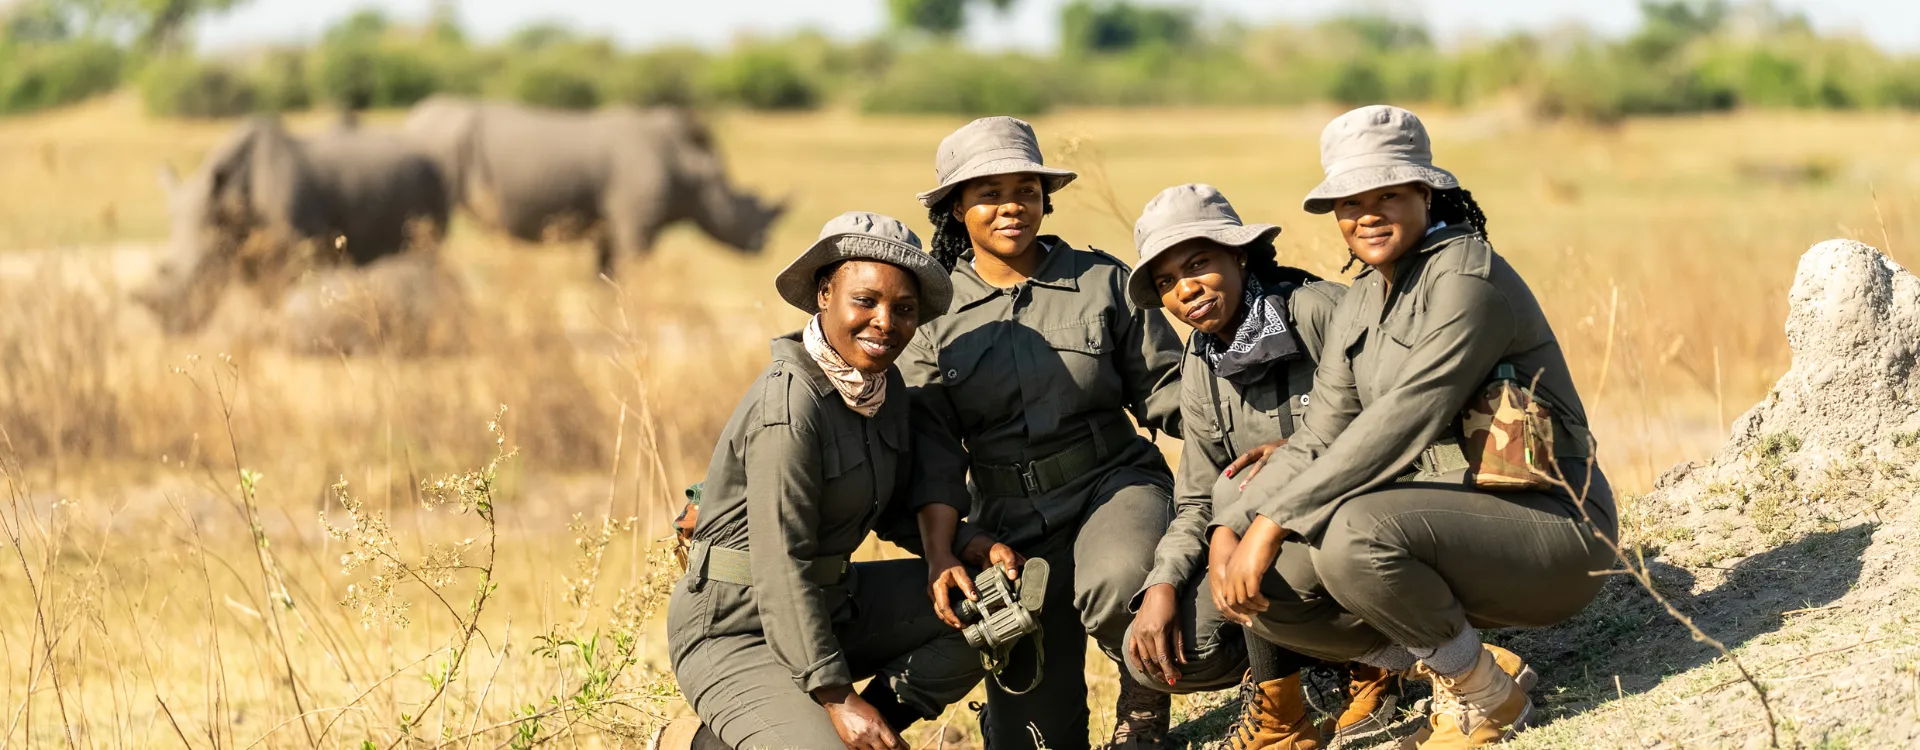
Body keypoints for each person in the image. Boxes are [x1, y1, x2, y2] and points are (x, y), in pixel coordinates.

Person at [1210, 105, 1616, 749]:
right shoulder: (1364, 297)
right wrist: (1232, 527)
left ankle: (1485, 699)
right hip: (1446, 526)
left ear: (1428, 194)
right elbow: (1319, 437)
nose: (1367, 214)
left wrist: (1273, 520)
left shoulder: (1468, 277)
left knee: (1351, 534)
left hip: (1556, 528)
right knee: (1266, 581)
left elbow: (1408, 417)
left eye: (1389, 195)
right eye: (1350, 201)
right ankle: (1458, 666)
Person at [898, 116, 1188, 750]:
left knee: (1116, 581)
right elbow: (935, 455)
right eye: (989, 193)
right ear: (956, 210)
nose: (1012, 208)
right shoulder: (931, 317)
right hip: (1006, 520)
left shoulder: (1102, 280)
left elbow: (1170, 393)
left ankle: (1143, 713)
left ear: (1045, 196)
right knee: (1031, 736)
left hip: (1112, 483)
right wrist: (946, 550)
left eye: (1025, 189)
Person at [658, 211, 984, 750]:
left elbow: (893, 503)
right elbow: (781, 567)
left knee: (990, 608)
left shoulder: (880, 387)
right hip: (738, 627)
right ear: (824, 295)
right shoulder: (789, 407)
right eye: (865, 301)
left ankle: (846, 730)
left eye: (904, 309)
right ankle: (698, 742)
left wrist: (962, 547)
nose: (885, 322)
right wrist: (836, 696)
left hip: (831, 603)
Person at [1121, 183, 1406, 749]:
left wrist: (1295, 458)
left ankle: (1381, 666)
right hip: (1269, 541)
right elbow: (1200, 496)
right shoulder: (1201, 362)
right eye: (1166, 282)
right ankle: (1294, 701)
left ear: (1241, 254)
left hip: (1367, 514)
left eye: (1199, 263)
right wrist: (1162, 585)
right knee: (1180, 646)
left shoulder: (1318, 310)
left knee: (1258, 538)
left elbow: (1400, 416)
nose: (1187, 289)